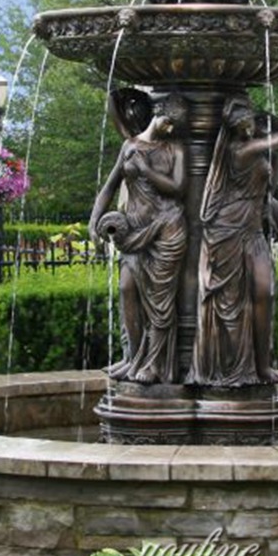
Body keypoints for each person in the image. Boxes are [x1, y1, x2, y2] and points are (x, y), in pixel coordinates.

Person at [187, 97, 278, 386]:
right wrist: (265, 116)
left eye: (249, 121)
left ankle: (262, 367)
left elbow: (268, 185)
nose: (248, 127)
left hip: (252, 230)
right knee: (233, 302)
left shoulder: (255, 151)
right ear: (233, 129)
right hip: (228, 230)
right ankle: (231, 366)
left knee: (265, 292)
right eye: (242, 123)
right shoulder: (241, 150)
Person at [89, 93, 188, 384]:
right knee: (126, 290)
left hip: (167, 229)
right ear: (158, 113)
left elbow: (179, 188)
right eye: (169, 121)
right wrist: (94, 219)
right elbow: (110, 186)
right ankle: (133, 357)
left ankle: (155, 365)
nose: (171, 128)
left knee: (160, 302)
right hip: (133, 231)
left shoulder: (176, 149)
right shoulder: (129, 146)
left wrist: (145, 169)